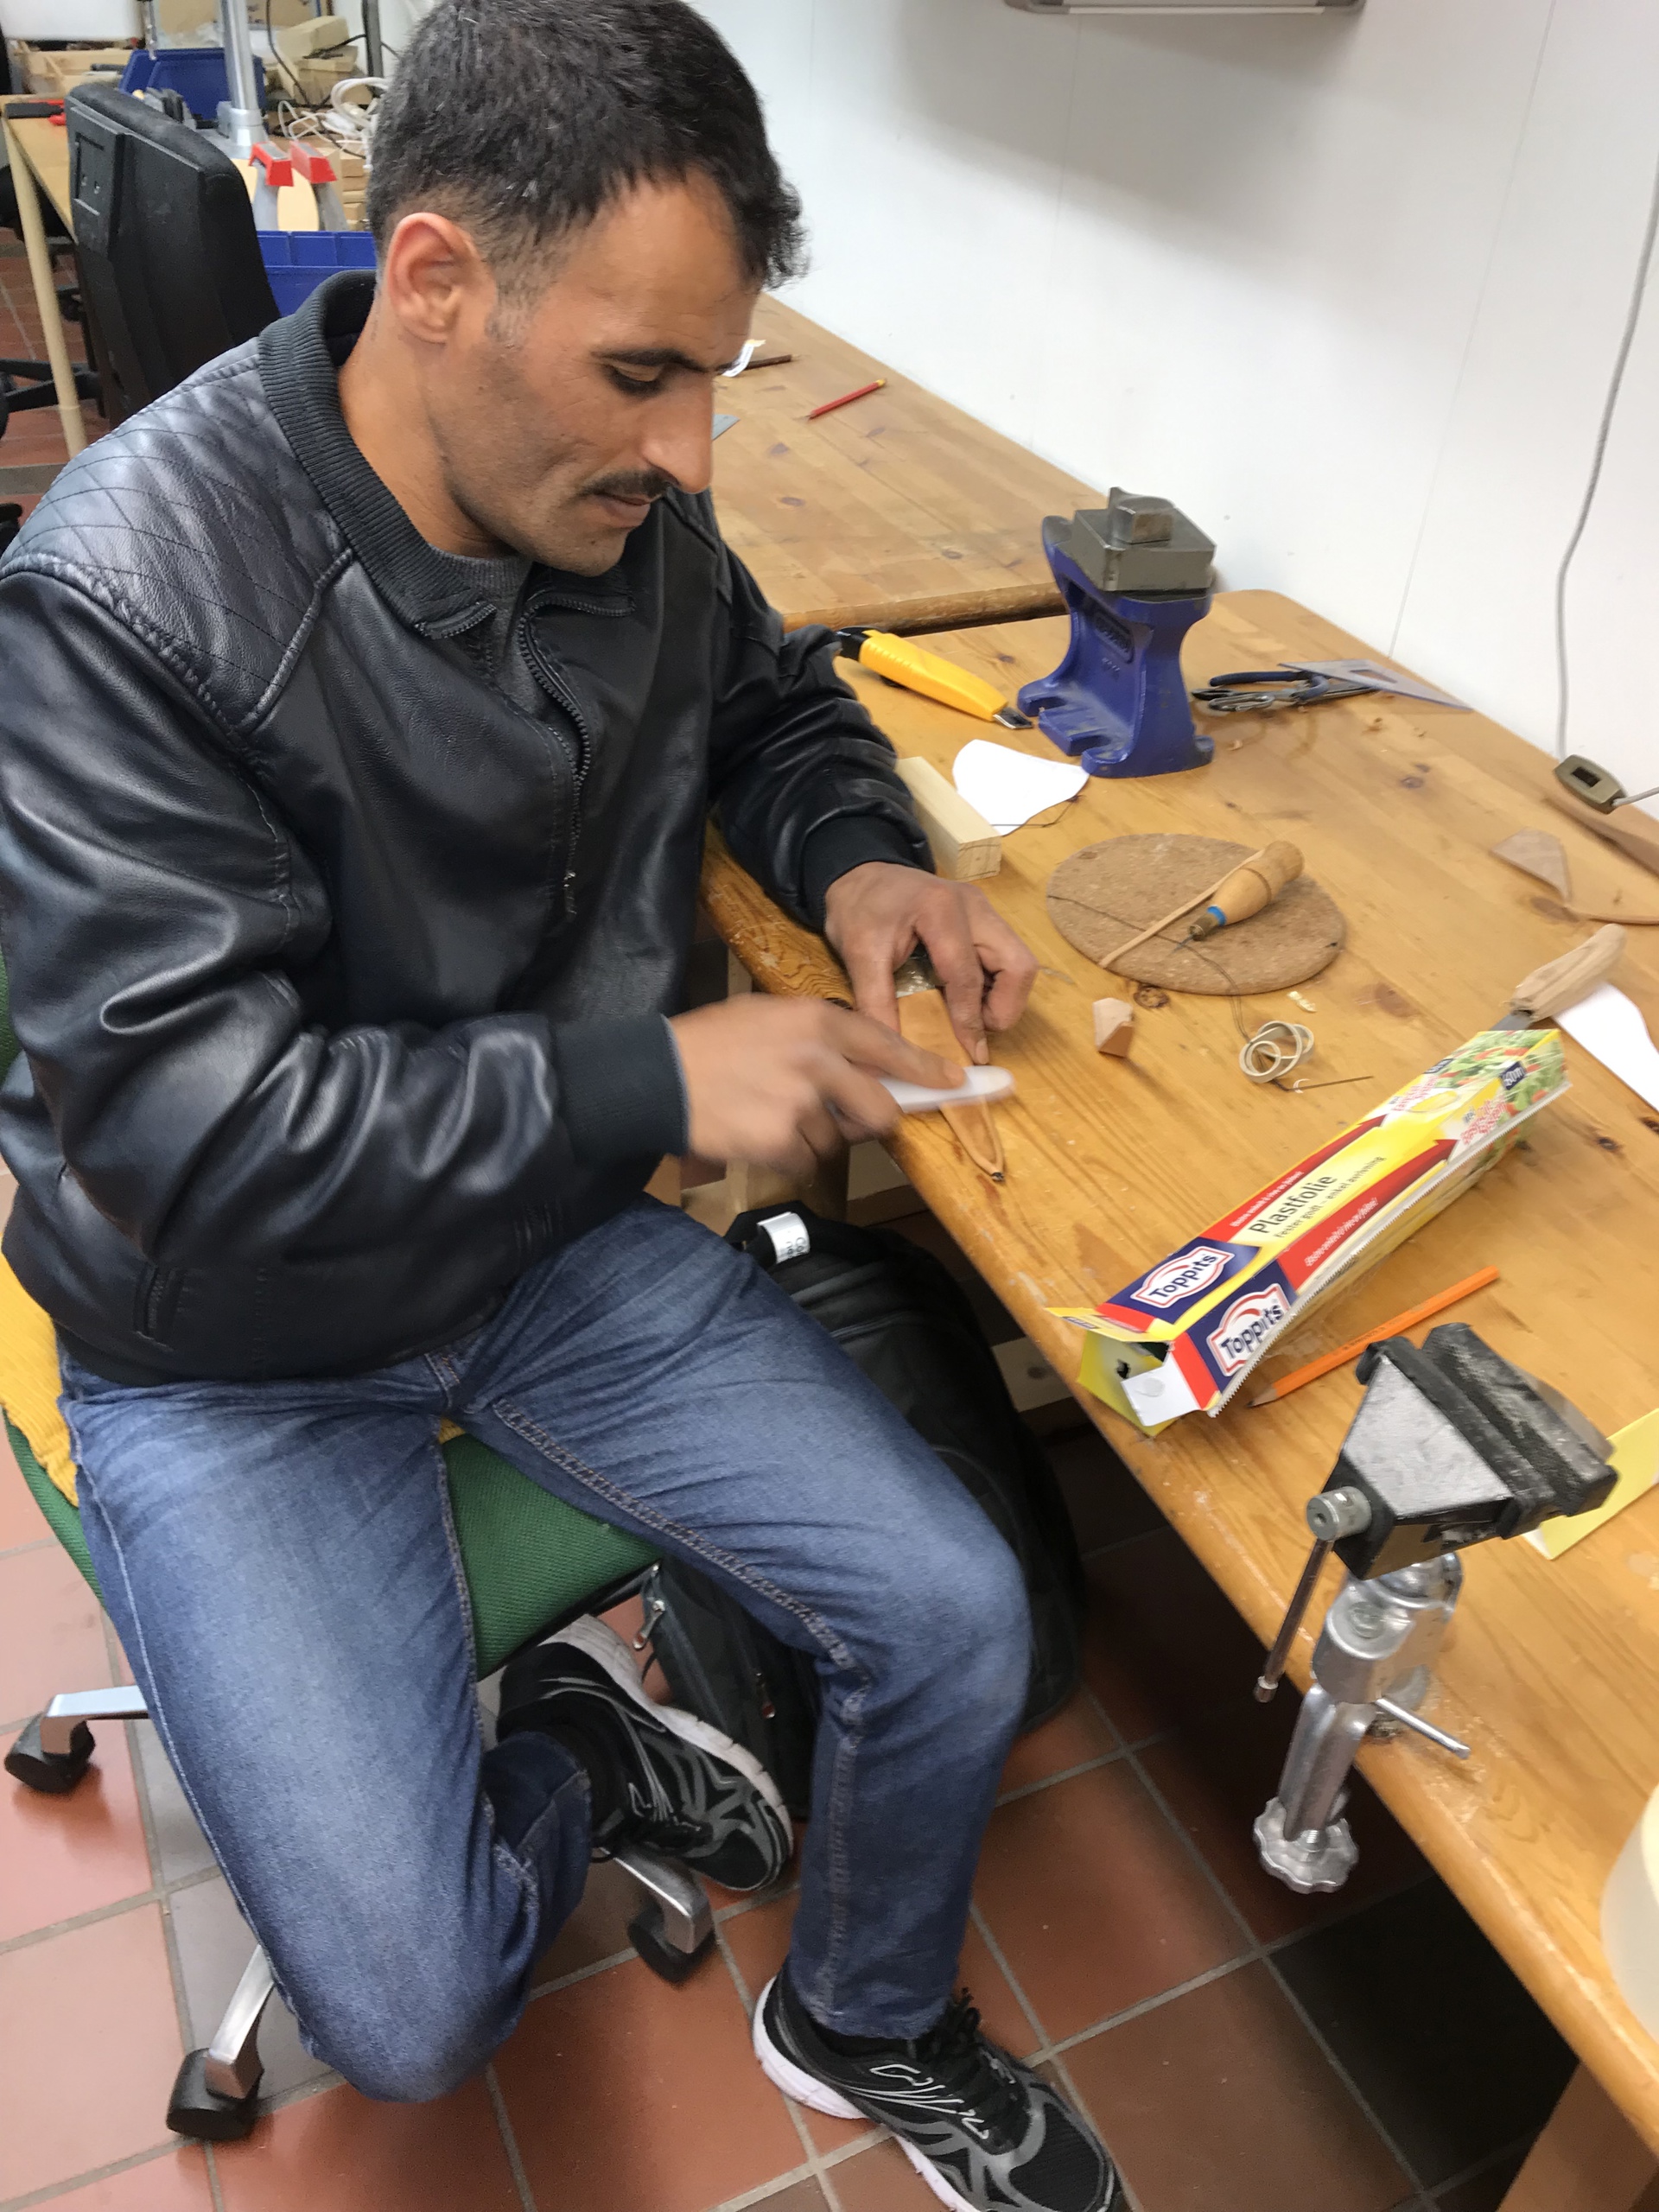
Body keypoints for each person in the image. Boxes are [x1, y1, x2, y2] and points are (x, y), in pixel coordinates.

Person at [0, 5, 1118, 2208]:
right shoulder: (124, 595)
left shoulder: (617, 506)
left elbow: (773, 699)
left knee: (956, 1605)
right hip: (234, 1336)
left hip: (541, 1242)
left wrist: (862, 856)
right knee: (410, 2012)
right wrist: (660, 1070)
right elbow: (190, 1136)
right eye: (643, 375)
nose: (691, 454)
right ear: (434, 279)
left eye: (719, 378)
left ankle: (863, 2010)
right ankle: (577, 1765)